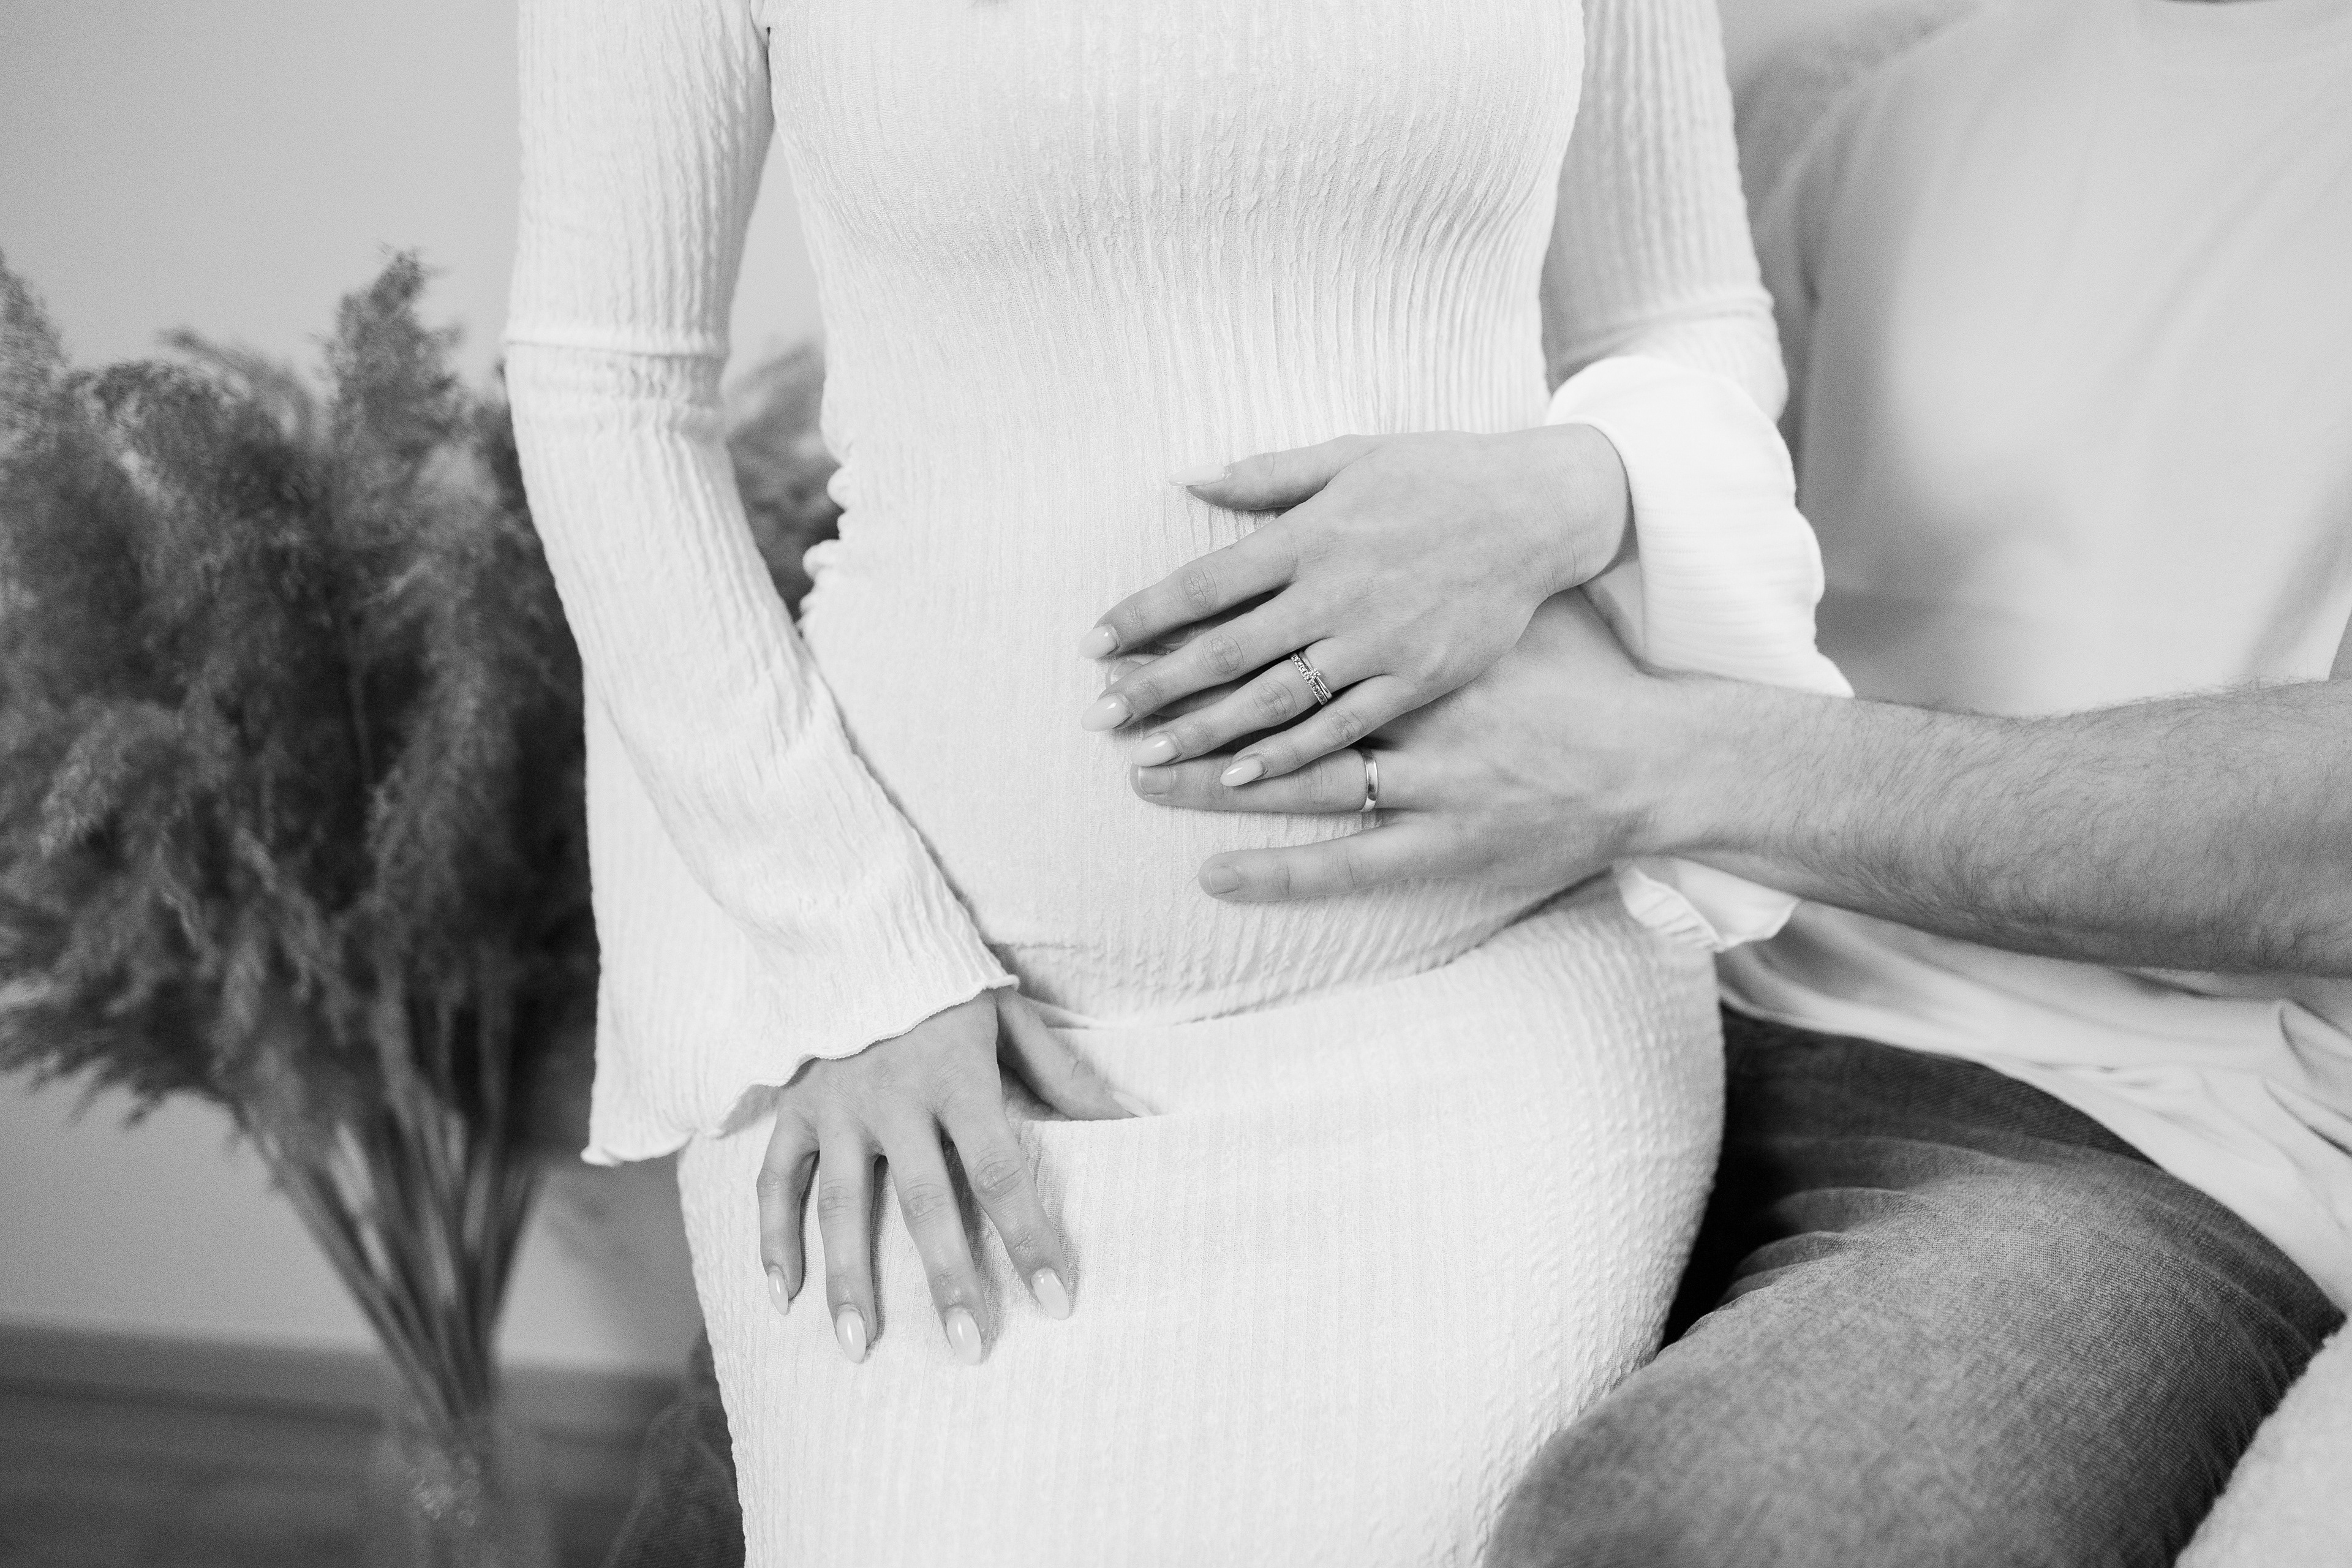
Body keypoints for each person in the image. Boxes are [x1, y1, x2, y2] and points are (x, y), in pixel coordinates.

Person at [506, 1, 1843, 1563]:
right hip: (922, 1038)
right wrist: (851, 956)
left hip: (1495, 996)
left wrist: (1570, 492)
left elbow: (1688, 316)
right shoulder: (868, 986)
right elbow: (606, 388)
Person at [1115, 0, 2352, 1560]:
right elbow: (1686, 528)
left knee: (1698, 1538)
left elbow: (2326, 841)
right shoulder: (1893, 101)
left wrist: (1654, 759)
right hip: (1651, 1002)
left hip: (2139, 1133)